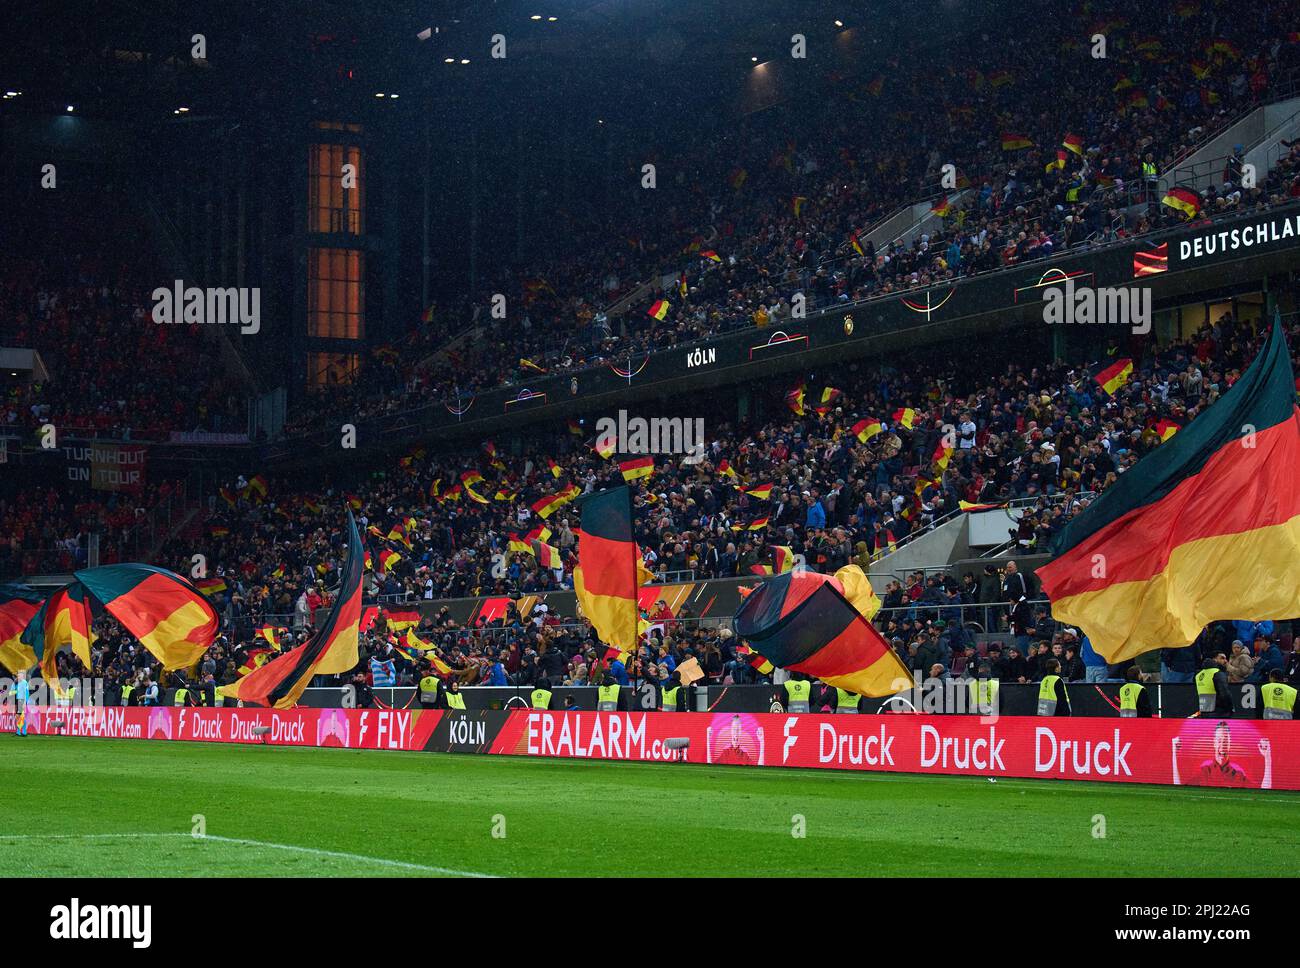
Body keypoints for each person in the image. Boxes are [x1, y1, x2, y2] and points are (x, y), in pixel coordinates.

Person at [1173, 722, 1272, 789]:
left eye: (1225, 741)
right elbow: (1179, 788)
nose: (1222, 745)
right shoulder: (1205, 772)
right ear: (1214, 743)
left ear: (1230, 744)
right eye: (1219, 740)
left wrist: (1267, 758)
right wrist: (1174, 754)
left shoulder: (1237, 775)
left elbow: (1264, 791)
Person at [12, 670, 29, 736]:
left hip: (22, 701)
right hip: (18, 700)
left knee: (18, 716)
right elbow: (12, 692)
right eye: (18, 675)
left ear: (23, 676)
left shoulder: (24, 682)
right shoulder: (17, 683)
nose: (18, 676)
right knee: (19, 716)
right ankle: (22, 732)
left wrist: (25, 702)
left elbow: (26, 693)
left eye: (20, 675)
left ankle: (21, 731)